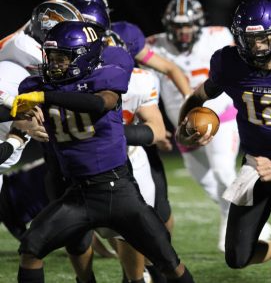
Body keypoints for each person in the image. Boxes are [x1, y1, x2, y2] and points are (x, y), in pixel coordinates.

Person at [13, 21, 194, 283]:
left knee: (169, 263)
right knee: (30, 249)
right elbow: (21, 113)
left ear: (84, 57)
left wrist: (44, 98)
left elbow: (99, 103)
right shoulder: (38, 86)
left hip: (118, 192)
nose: (54, 64)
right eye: (51, 57)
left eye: (62, 58)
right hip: (78, 194)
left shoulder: (105, 76)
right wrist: (24, 118)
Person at [176, 0, 271, 283]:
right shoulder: (229, 64)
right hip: (254, 164)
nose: (256, 46)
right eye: (249, 38)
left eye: (263, 38)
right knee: (236, 257)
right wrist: (185, 127)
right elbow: (197, 96)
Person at [147, 0, 271, 252]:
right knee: (204, 179)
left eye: (187, 25)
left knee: (223, 172)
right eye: (178, 26)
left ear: (199, 23)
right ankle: (244, 215)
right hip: (184, 126)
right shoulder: (156, 46)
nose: (183, 32)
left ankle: (245, 225)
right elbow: (150, 89)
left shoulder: (217, 37)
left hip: (220, 117)